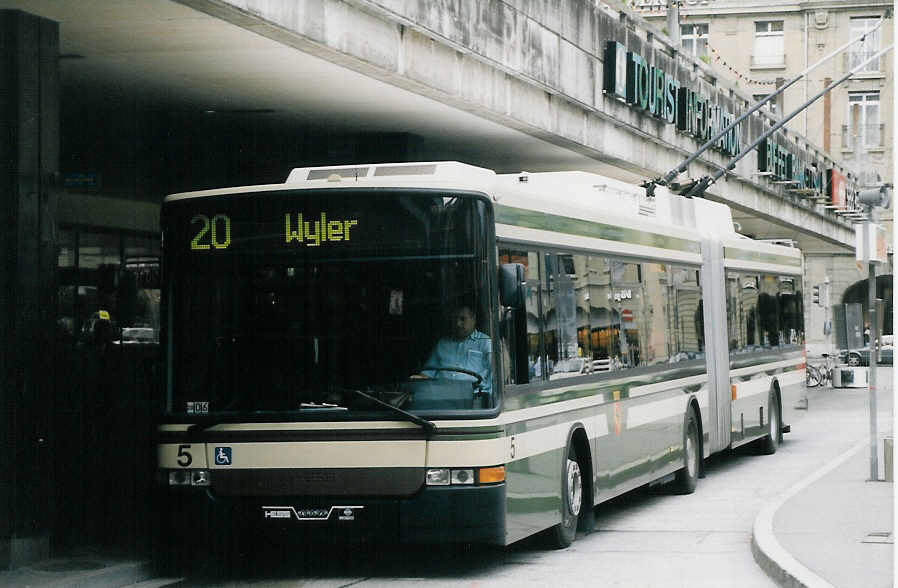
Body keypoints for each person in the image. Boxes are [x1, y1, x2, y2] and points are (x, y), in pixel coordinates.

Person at [416, 305, 492, 399]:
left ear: (473, 319)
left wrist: (487, 398)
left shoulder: (485, 343)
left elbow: (495, 377)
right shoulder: (442, 344)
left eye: (462, 319)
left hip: (473, 399)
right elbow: (427, 374)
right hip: (440, 397)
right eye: (455, 319)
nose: (458, 324)